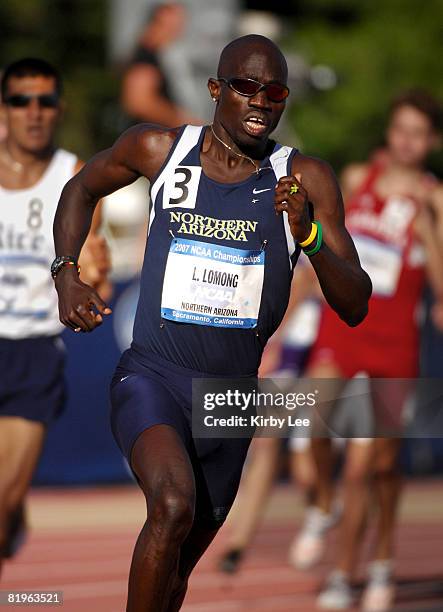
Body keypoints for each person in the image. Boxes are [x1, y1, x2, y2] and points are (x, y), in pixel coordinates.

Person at [53, 35, 371, 611]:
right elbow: (80, 187)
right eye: (246, 87)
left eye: (273, 91)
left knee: (176, 572)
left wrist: (309, 235)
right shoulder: (159, 150)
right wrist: (67, 271)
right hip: (154, 376)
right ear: (216, 90)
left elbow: (355, 303)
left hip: (231, 400)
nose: (260, 101)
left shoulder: (304, 181)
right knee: (172, 507)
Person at [301, 91, 443, 611]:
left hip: (393, 344)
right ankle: (323, 503)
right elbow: (321, 246)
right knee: (310, 419)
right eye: (400, 129)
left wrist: (428, 227)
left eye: (418, 133)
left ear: (432, 142)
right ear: (390, 131)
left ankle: (360, 568)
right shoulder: (358, 178)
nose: (407, 141)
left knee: (372, 468)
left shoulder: (435, 199)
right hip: (343, 328)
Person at [0, 57, 110, 573]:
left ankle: (10, 512)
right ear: (5, 108)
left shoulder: (75, 177)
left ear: (59, 109)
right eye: (22, 100)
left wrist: (94, 281)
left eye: (45, 101)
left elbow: (91, 263)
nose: (34, 112)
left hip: (34, 353)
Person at [120, 2, 199, 128]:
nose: (180, 29)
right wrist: (183, 121)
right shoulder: (145, 56)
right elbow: (138, 102)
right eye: (176, 24)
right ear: (161, 21)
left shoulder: (152, 54)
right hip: (145, 140)